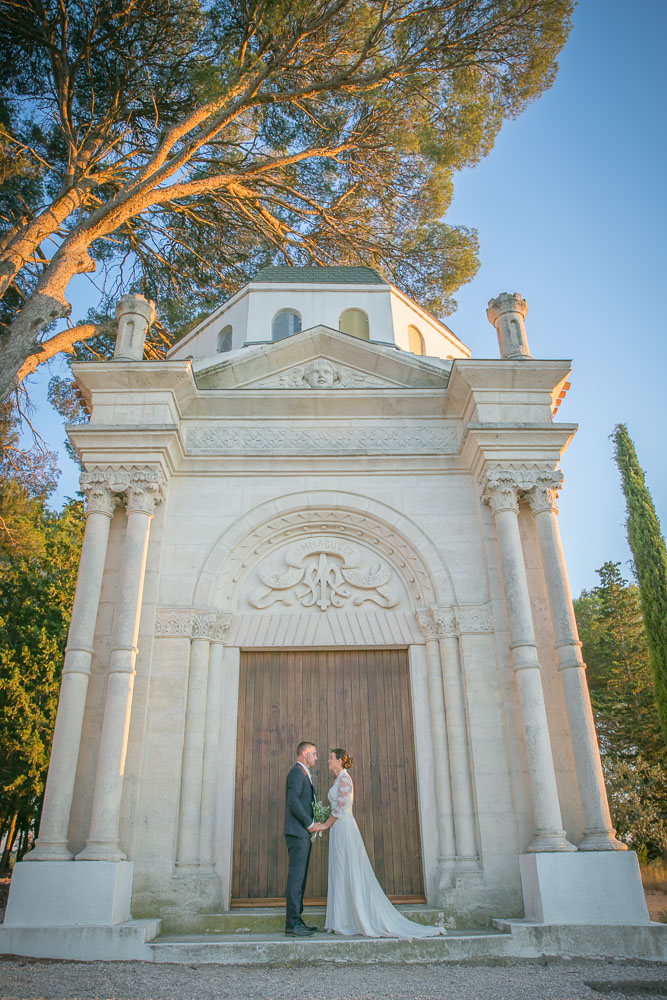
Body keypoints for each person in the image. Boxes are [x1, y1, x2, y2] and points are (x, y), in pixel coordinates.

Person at [318, 748, 447, 939]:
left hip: (344, 828)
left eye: (331, 758)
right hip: (338, 829)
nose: (328, 761)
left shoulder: (345, 779)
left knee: (350, 869)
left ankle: (355, 918)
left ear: (339, 761)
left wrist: (323, 825)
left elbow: (338, 809)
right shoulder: (338, 780)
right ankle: (342, 919)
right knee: (340, 869)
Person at [283, 740, 320, 936]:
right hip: (297, 833)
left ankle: (297, 919)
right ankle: (292, 924)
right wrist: (309, 823)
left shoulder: (304, 773)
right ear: (304, 753)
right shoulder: (297, 772)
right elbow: (293, 801)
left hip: (301, 833)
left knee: (301, 879)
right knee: (296, 879)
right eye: (314, 753)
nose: (316, 757)